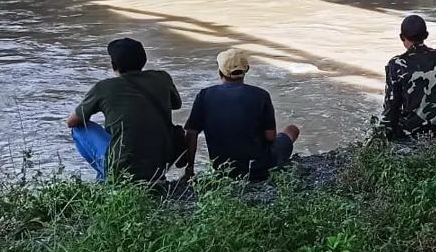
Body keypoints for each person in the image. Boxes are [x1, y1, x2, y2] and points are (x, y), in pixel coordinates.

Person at [66, 37, 182, 183]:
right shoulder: (162, 78)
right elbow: (176, 104)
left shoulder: (103, 87)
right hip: (160, 164)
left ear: (114, 64)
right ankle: (149, 177)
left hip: (122, 167)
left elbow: (72, 121)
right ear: (143, 60)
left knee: (79, 128)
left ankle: (106, 178)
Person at [183, 49, 300, 182]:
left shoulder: (204, 95)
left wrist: (190, 168)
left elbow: (191, 133)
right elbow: (270, 136)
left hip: (223, 170)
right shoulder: (261, 95)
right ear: (247, 70)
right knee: (292, 129)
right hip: (258, 169)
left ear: (220, 71)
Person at [381, 15, 436, 141]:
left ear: (402, 37)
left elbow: (392, 107)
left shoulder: (397, 64)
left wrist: (382, 136)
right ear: (426, 35)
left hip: (414, 133)